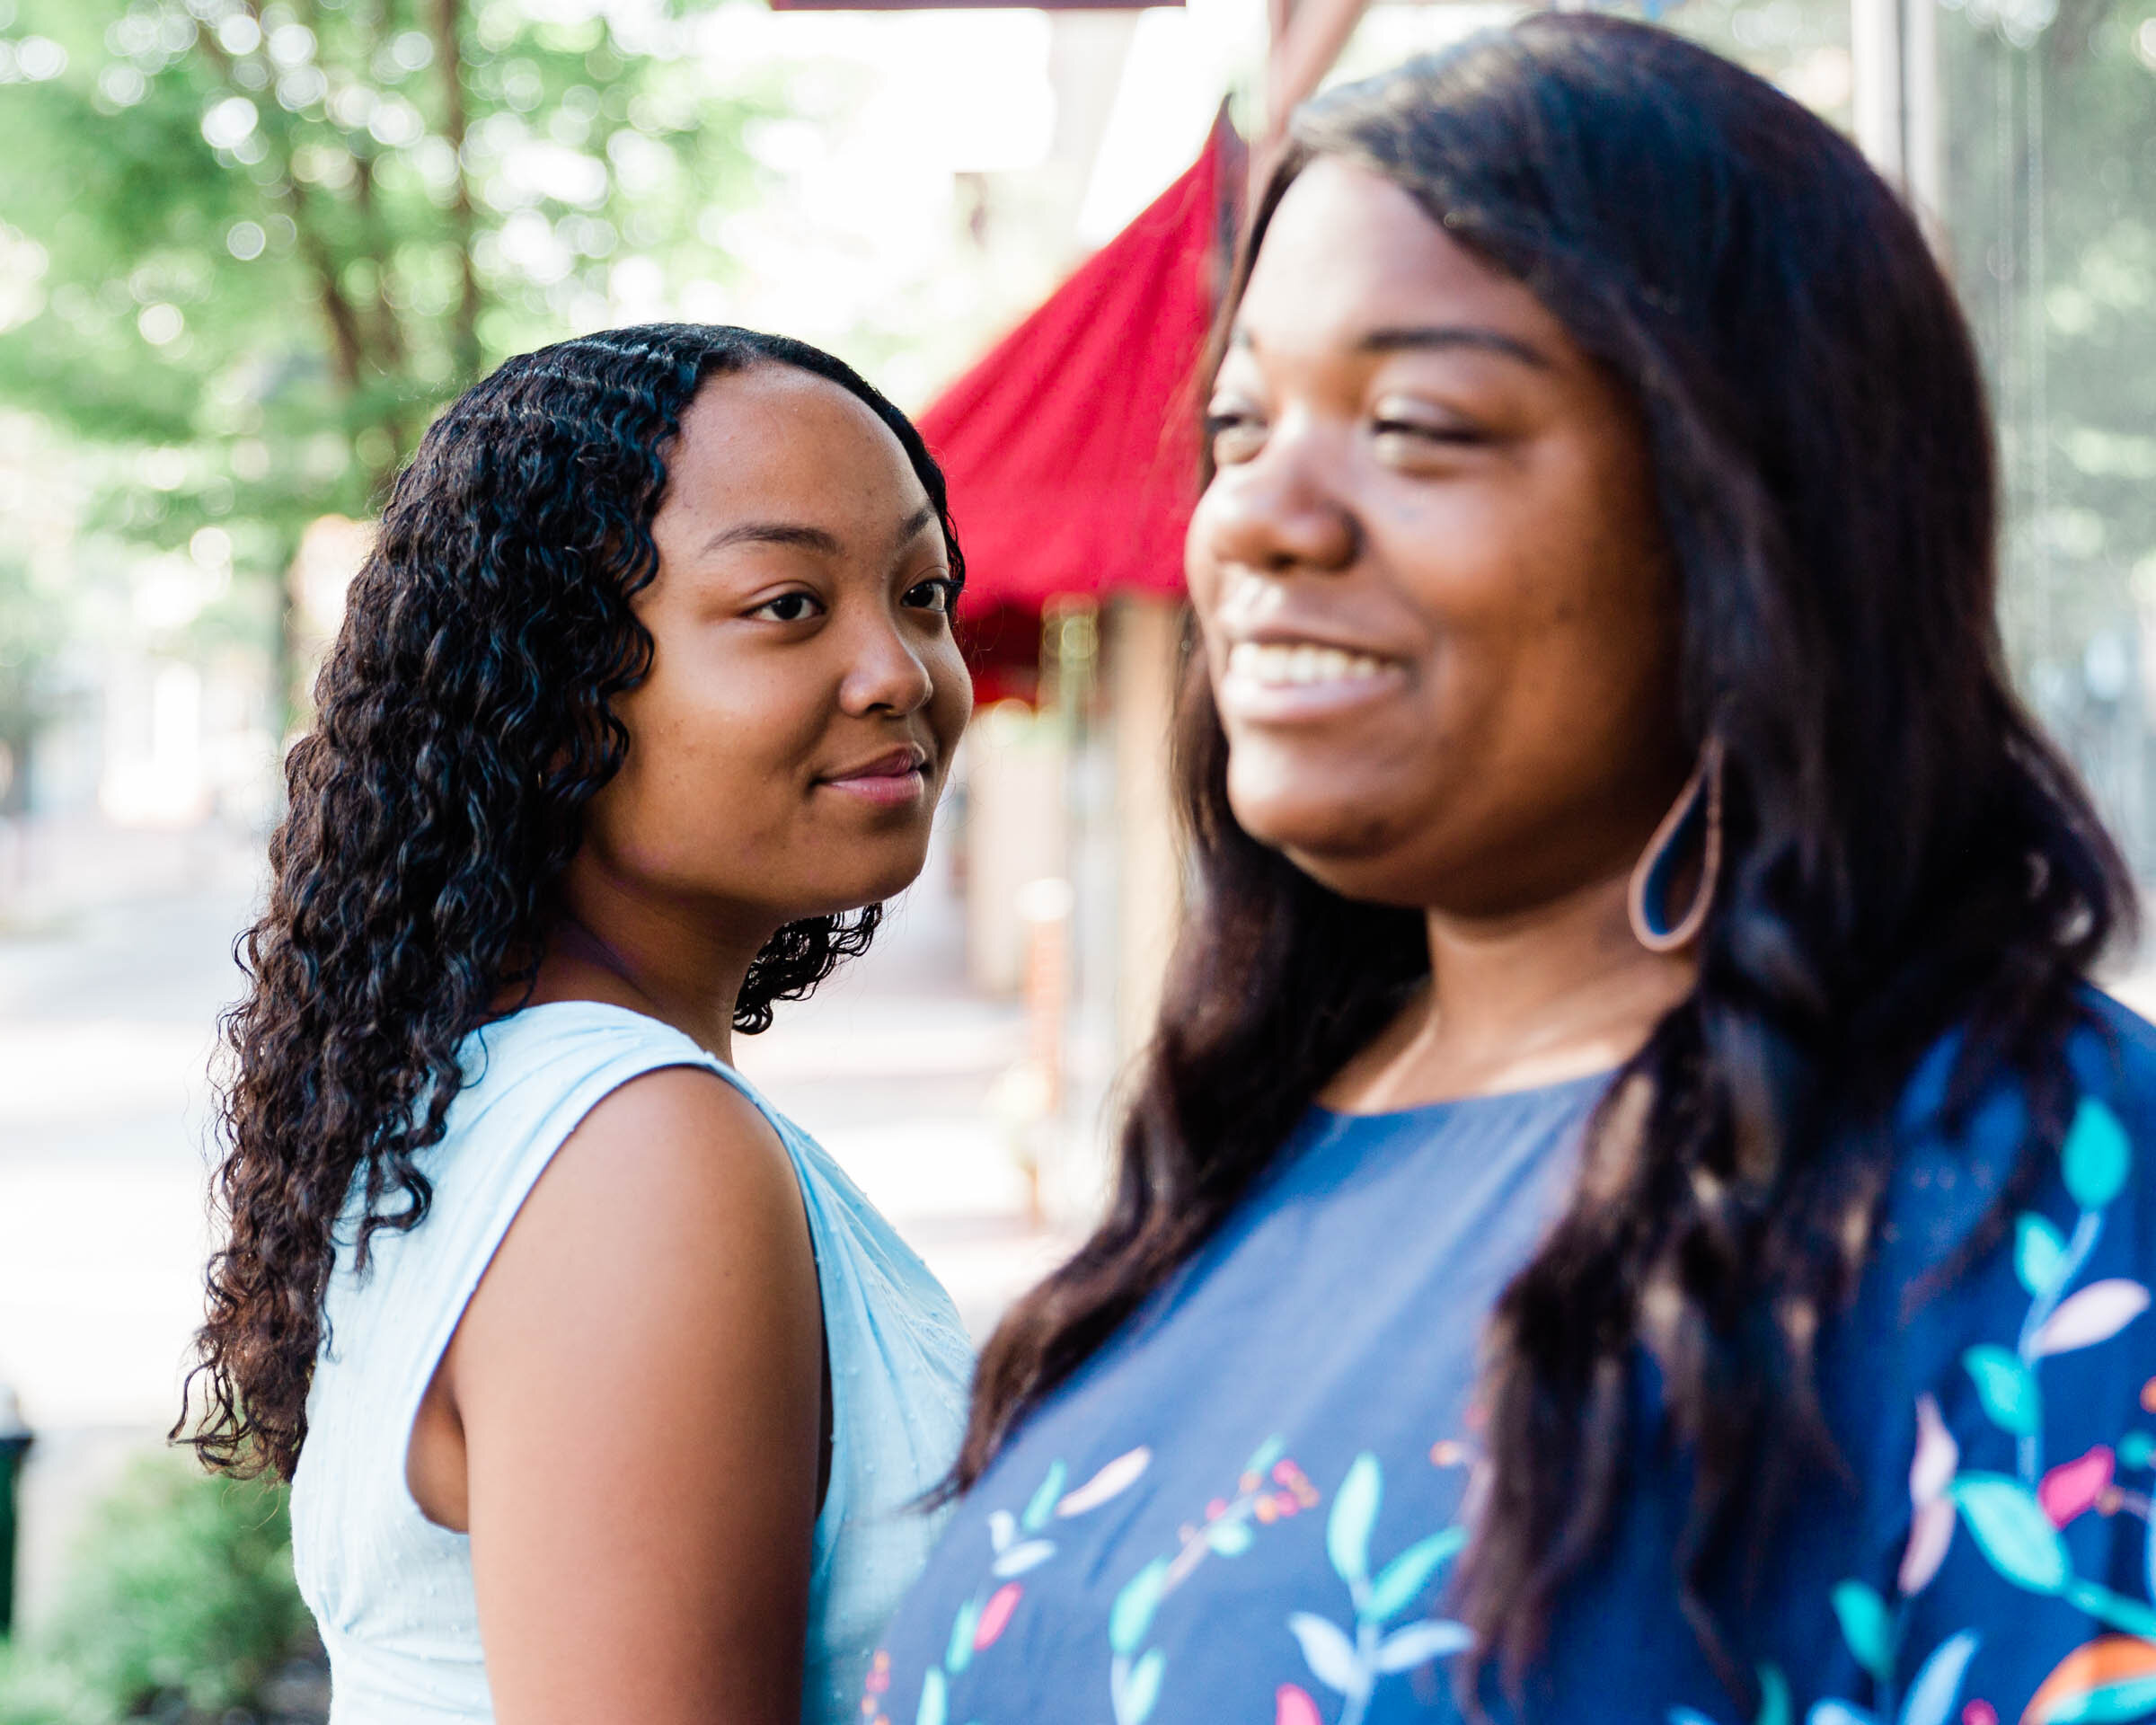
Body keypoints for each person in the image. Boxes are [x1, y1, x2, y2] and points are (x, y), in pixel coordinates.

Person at [870, 18, 2156, 1724]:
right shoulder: (1246, 1152)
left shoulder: (2019, 1176)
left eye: (1416, 424)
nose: (1259, 515)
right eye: (1243, 424)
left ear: (1746, 517)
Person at [178, 324, 975, 1725]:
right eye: (789, 605)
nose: (899, 667)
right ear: (548, 701)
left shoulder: (508, 1100)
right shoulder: (634, 1154)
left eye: (923, 591)